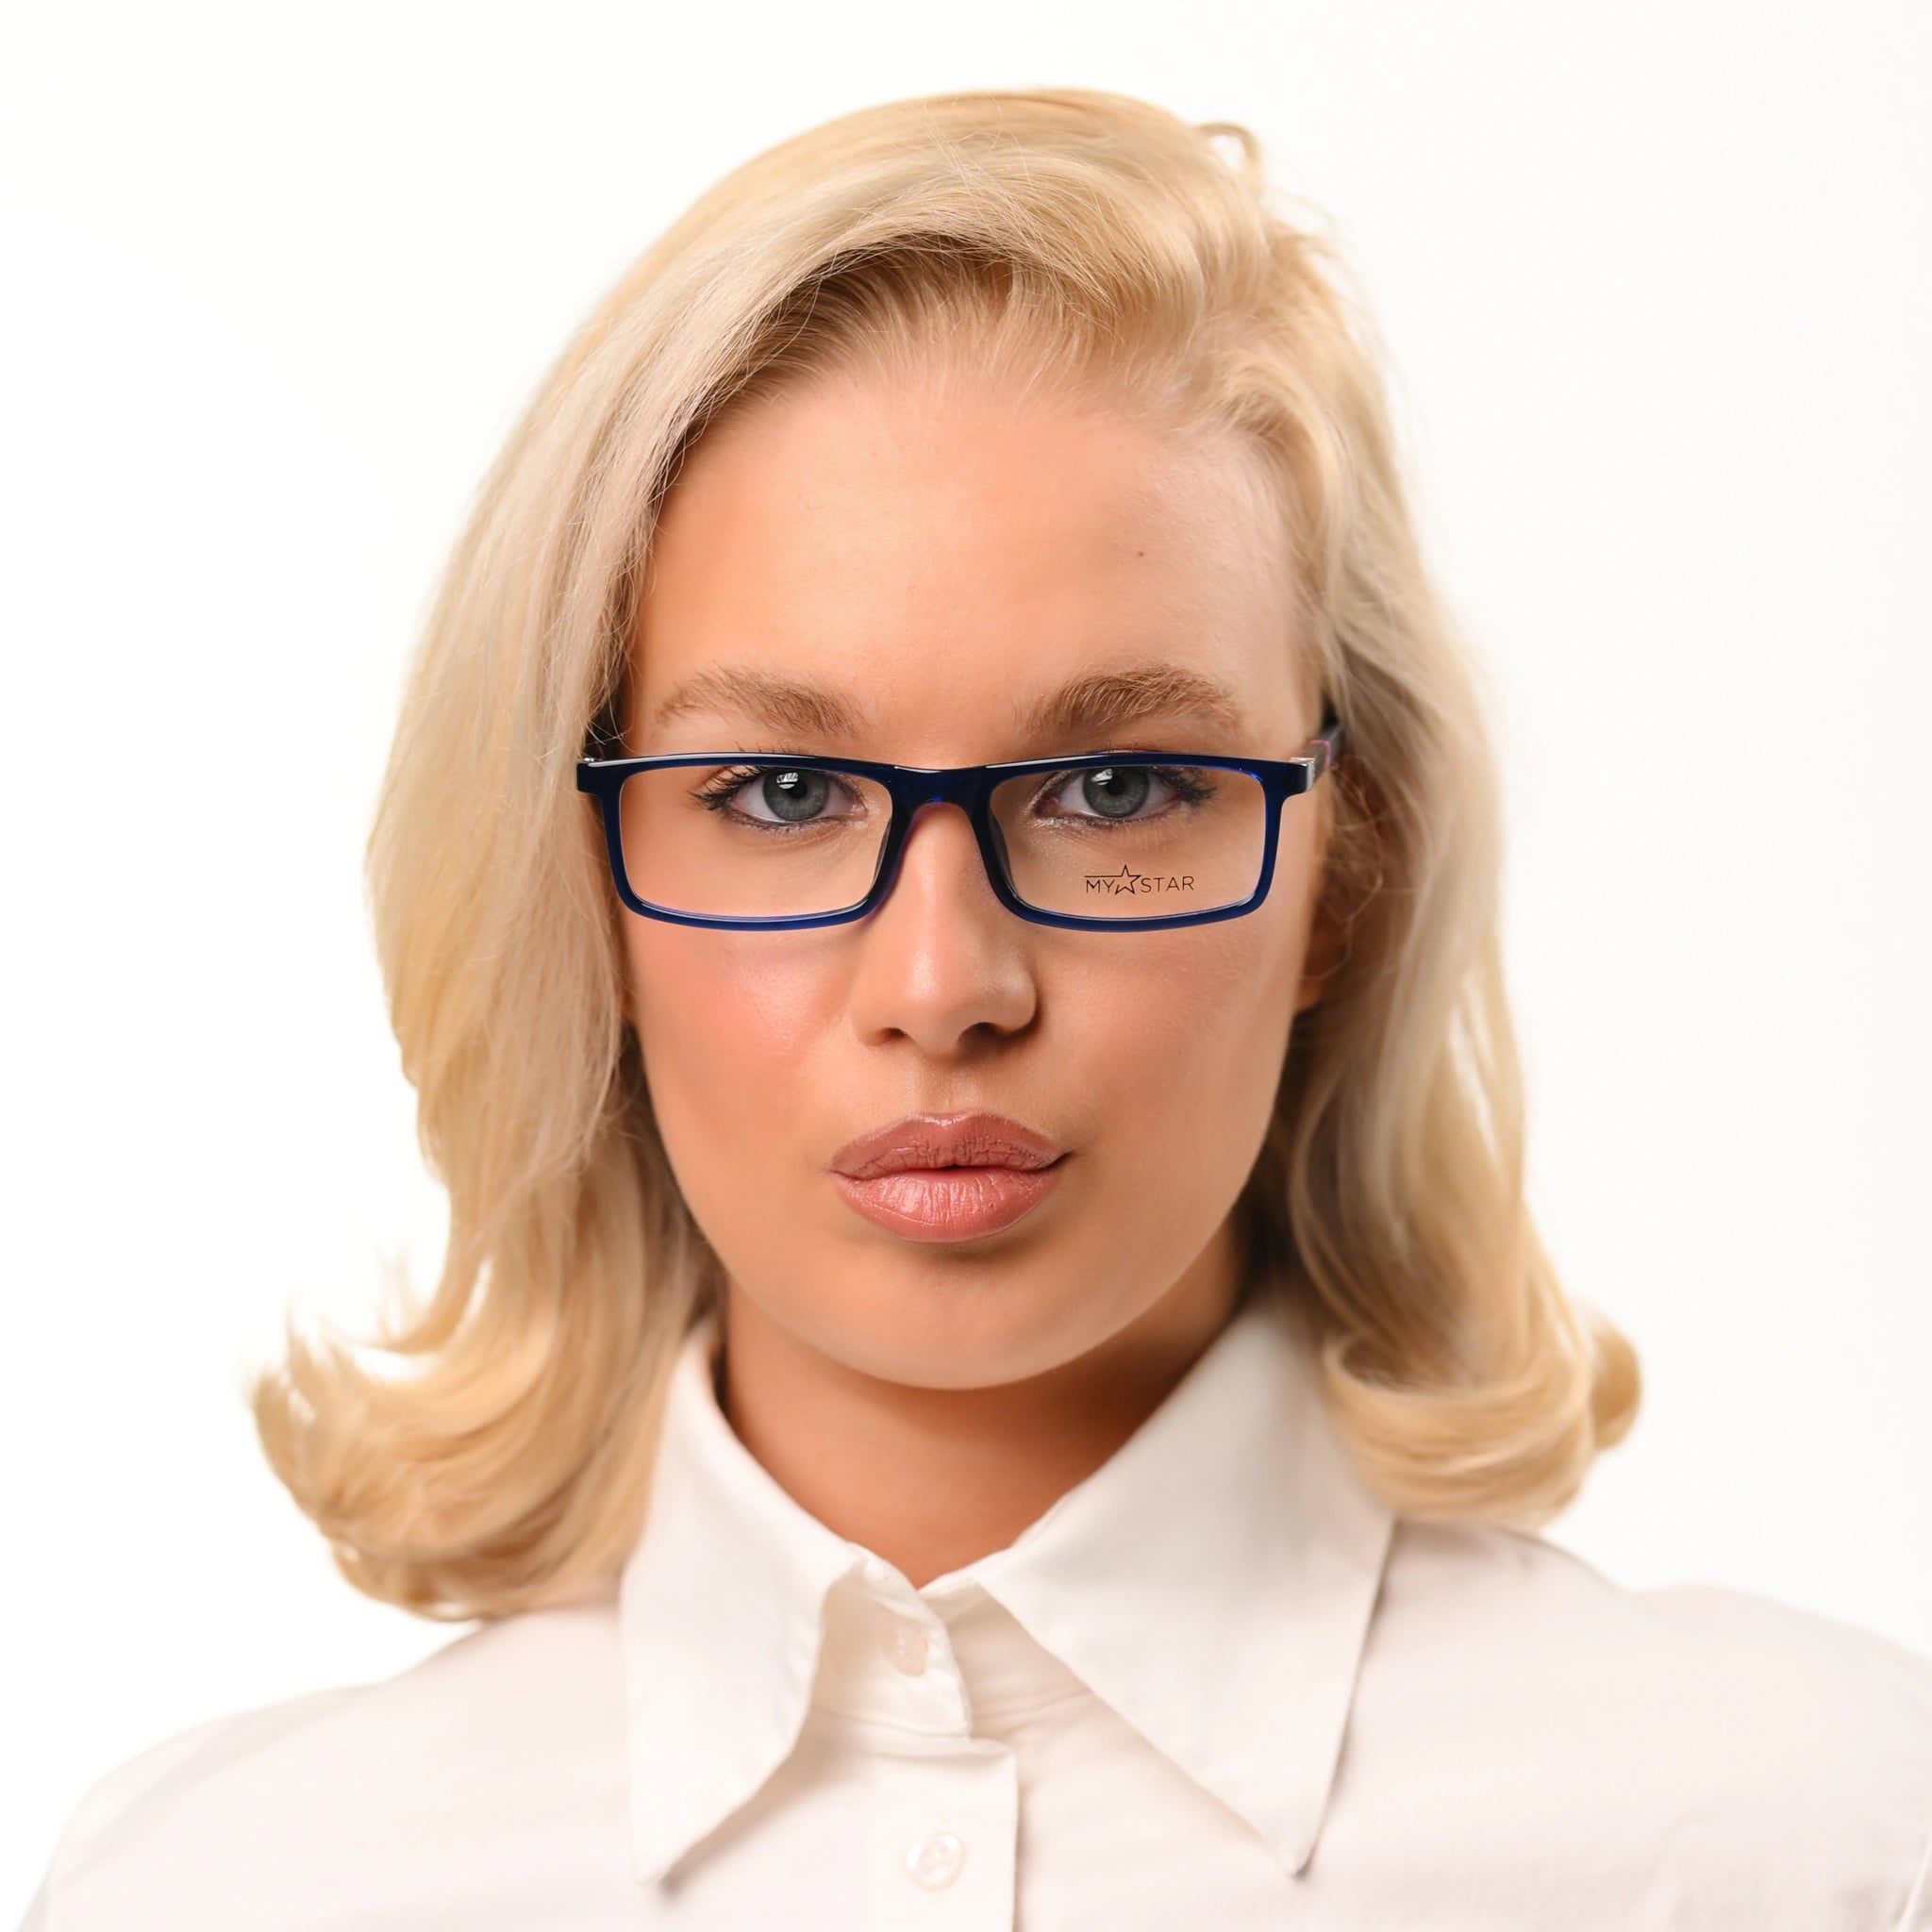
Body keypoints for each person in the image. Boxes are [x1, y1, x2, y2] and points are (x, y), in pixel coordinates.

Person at [18, 85, 1932, 1932]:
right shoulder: (221, 1893)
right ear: (574, 879)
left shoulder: (1824, 1849)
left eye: (1117, 789)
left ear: (1344, 869)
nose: (944, 987)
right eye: (780, 792)